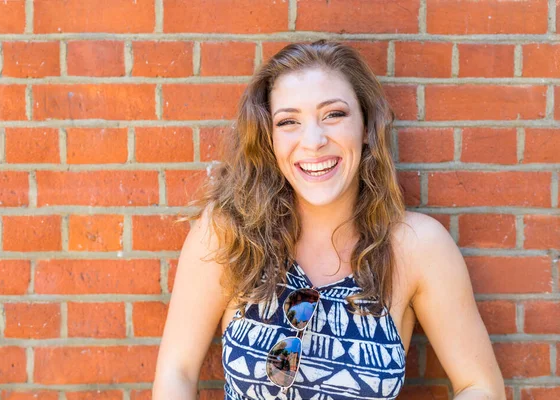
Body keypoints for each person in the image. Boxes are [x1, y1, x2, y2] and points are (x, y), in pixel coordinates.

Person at [152, 40, 505, 400]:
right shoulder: (228, 233)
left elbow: (481, 387)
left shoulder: (417, 247)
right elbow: (176, 372)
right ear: (269, 138)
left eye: (334, 114)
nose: (313, 141)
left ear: (367, 127)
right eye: (289, 121)